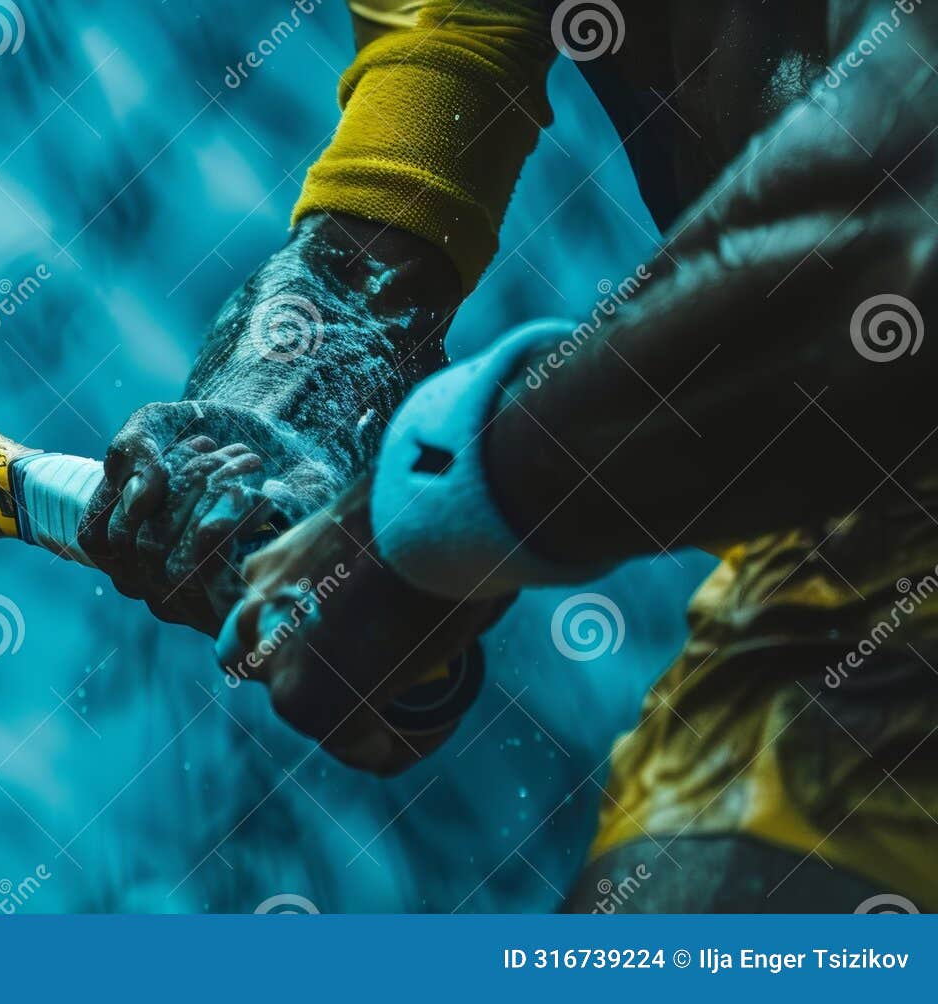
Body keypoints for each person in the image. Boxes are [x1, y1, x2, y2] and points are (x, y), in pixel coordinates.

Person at [78, 0, 938, 911]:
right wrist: (266, 441)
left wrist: (445, 512)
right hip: (866, 541)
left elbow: (911, 222)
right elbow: (369, 250)